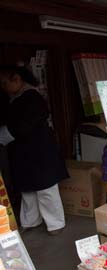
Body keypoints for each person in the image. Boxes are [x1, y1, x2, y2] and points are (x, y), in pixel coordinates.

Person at [0, 65, 68, 236]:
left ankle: (55, 223)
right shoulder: (15, 97)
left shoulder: (32, 96)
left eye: (4, 82)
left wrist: (5, 133)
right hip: (23, 151)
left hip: (39, 150)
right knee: (27, 190)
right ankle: (31, 221)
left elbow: (23, 126)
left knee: (45, 188)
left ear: (17, 79)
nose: (3, 87)